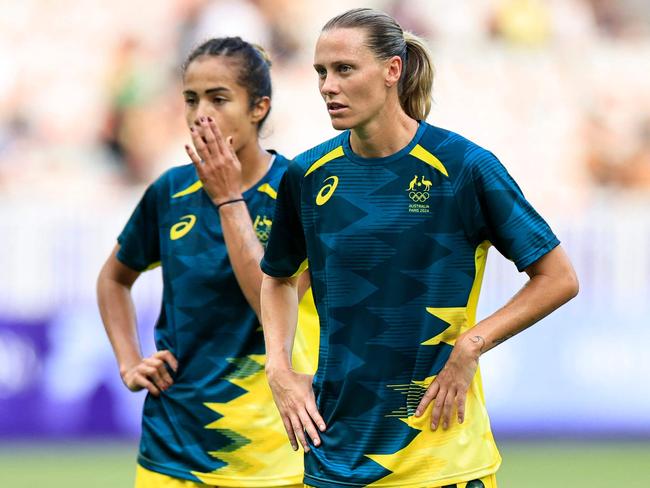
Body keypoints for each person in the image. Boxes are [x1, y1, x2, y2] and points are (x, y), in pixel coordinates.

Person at [260, 8, 578, 488]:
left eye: (344, 69)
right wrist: (279, 369)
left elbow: (558, 277)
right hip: (336, 459)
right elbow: (278, 277)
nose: (327, 86)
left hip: (443, 458)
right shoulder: (307, 175)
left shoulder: (464, 167)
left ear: (393, 70)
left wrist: (472, 345)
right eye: (321, 72)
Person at [97, 37, 318, 488]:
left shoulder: (301, 191)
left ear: (259, 108)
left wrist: (228, 199)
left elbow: (270, 303)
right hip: (170, 449)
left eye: (219, 98)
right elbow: (113, 279)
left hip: (270, 453)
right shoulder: (170, 191)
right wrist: (129, 362)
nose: (201, 113)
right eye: (191, 99)